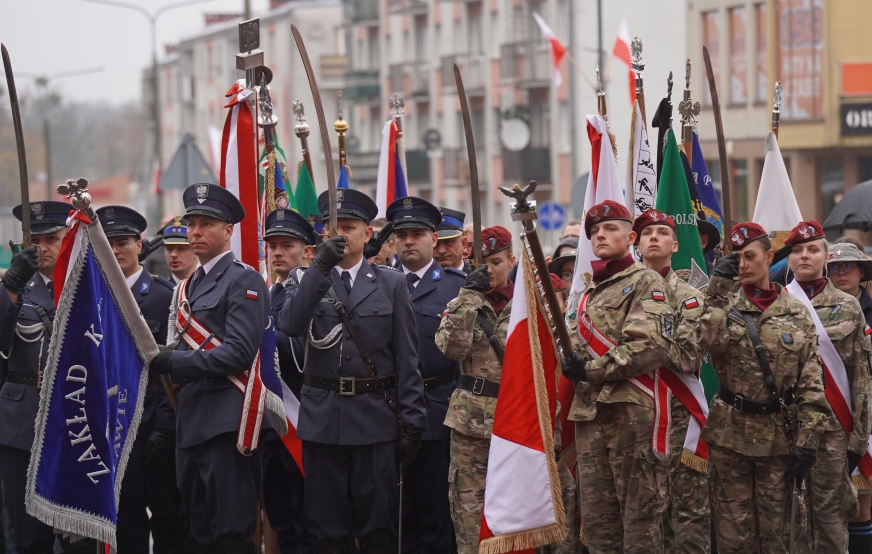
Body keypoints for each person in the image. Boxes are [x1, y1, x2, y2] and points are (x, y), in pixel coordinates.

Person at [277, 188, 427, 554]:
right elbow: (291, 324)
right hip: (323, 419)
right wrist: (319, 268)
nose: (341, 235)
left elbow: (407, 357)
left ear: (367, 234)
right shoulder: (309, 279)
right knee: (327, 530)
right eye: (333, 228)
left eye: (349, 226)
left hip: (374, 418)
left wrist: (413, 421)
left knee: (378, 528)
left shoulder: (391, 283)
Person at [148, 183, 270, 553]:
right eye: (192, 224)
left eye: (206, 225)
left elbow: (238, 353)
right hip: (191, 421)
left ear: (228, 231)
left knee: (230, 534)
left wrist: (175, 361)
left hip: (227, 422)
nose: (195, 232)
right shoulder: (187, 287)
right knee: (198, 531)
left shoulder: (243, 279)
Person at [696, 221, 831, 552]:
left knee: (778, 535)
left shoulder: (796, 312)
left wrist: (807, 442)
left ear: (769, 256)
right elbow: (702, 342)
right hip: (730, 438)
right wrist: (719, 287)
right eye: (737, 258)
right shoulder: (721, 304)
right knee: (732, 537)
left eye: (750, 256)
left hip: (778, 437)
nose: (743, 265)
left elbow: (811, 383)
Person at [561, 200, 677, 553]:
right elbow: (572, 349)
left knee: (640, 524)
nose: (600, 235)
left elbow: (649, 346)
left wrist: (591, 369)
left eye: (610, 229)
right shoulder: (586, 294)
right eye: (594, 231)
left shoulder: (646, 282)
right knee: (598, 527)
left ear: (630, 238)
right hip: (590, 417)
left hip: (632, 416)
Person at [0, 201, 95, 554]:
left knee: (80, 535)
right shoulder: (15, 290)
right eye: (35, 240)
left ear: (69, 240)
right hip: (22, 424)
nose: (42, 248)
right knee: (29, 537)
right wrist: (10, 286)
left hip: (77, 424)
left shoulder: (89, 287)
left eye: (52, 239)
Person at [95, 205, 180, 554]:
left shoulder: (164, 295)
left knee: (169, 519)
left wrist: (164, 425)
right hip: (110, 427)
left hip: (155, 427)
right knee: (125, 521)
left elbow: (172, 366)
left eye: (123, 242)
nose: (115, 250)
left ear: (139, 245)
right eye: (108, 243)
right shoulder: (93, 297)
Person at [784, 220, 871, 553]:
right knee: (789, 523)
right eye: (796, 250)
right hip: (784, 429)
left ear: (825, 256)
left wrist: (858, 441)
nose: (804, 256)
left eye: (812, 249)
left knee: (832, 524)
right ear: (789, 259)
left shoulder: (847, 307)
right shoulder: (776, 304)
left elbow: (861, 379)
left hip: (834, 432)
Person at [386, 196, 465, 554]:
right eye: (401, 235)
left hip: (437, 409)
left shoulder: (455, 286)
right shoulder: (379, 283)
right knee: (394, 515)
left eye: (417, 233)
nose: (408, 241)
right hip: (386, 411)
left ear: (434, 239)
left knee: (435, 512)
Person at [632, 209, 711, 554]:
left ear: (675, 244)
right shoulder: (620, 291)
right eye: (646, 232)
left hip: (678, 414)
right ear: (635, 242)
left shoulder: (690, 296)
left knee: (688, 515)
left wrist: (637, 348)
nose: (654, 237)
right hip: (633, 414)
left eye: (662, 232)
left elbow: (688, 354)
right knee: (641, 515)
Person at [436, 226, 515, 554]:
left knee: (516, 517)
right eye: (483, 263)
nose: (490, 270)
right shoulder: (462, 302)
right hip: (470, 424)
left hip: (516, 421)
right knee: (469, 518)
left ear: (512, 261)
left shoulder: (529, 304)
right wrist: (470, 295)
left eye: (496, 262)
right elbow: (451, 349)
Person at [262, 207, 317, 554]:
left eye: (287, 245)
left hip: (305, 416)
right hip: (270, 422)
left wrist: (265, 337)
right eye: (272, 245)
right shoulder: (265, 294)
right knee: (280, 514)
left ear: (308, 252)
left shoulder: (312, 291)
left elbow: (301, 351)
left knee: (307, 515)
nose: (277, 252)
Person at [829, 244, 872, 553]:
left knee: (863, 502)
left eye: (848, 267)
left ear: (862, 273)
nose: (841, 273)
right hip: (828, 415)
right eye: (834, 267)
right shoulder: (809, 309)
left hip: (866, 417)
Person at [434, 207, 471, 274]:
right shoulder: (418, 281)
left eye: (448, 241)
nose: (441, 251)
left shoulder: (477, 280)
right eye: (435, 243)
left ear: (463, 243)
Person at [162, 215, 198, 284]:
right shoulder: (160, 290)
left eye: (181, 249)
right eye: (169, 249)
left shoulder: (207, 286)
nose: (173, 254)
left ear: (196, 251)